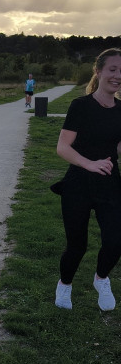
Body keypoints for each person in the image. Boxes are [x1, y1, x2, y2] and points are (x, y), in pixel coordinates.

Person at [51, 48, 121, 311]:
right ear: (99, 71)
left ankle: (101, 278)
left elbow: (115, 147)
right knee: (77, 246)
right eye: (113, 69)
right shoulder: (80, 106)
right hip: (78, 184)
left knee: (115, 241)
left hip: (109, 184)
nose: (118, 75)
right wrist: (90, 164)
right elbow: (63, 147)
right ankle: (65, 284)